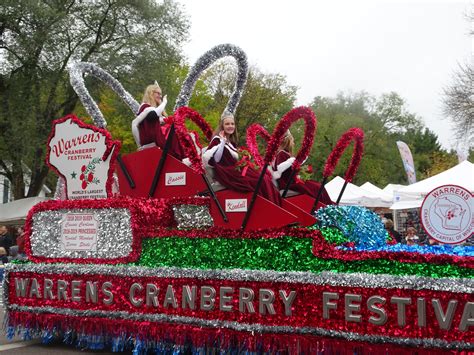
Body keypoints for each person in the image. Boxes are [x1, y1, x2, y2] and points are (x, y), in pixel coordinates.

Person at [203, 111, 282, 206]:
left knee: (264, 178)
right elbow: (215, 159)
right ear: (222, 126)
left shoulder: (231, 142)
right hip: (228, 173)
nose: (230, 126)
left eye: (232, 124)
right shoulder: (217, 140)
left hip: (237, 170)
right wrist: (222, 143)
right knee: (257, 181)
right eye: (227, 124)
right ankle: (262, 206)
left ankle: (272, 205)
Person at [271, 130, 332, 205]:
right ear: (288, 142)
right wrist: (293, 162)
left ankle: (326, 205)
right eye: (292, 141)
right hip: (288, 184)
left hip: (290, 182)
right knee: (317, 187)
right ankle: (326, 206)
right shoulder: (282, 154)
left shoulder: (284, 154)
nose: (293, 143)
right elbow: (281, 168)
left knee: (317, 186)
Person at [131, 82, 184, 159]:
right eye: (158, 93)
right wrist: (164, 102)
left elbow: (159, 117)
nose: (160, 96)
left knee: (182, 133)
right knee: (175, 133)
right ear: (151, 93)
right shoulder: (145, 107)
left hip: (158, 140)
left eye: (161, 94)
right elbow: (152, 115)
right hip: (152, 141)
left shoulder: (152, 109)